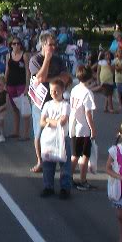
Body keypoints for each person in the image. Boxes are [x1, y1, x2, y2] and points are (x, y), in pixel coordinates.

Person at [30, 31, 72, 174]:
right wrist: (47, 59)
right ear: (43, 45)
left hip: (57, 100)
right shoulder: (35, 59)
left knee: (59, 131)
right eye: (50, 45)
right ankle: (40, 161)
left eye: (55, 45)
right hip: (40, 102)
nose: (53, 48)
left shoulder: (59, 60)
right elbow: (40, 78)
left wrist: (51, 79)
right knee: (40, 132)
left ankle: (57, 158)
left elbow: (66, 78)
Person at [39, 78, 72, 199]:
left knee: (64, 164)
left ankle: (65, 188)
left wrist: (48, 120)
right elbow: (41, 122)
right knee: (48, 163)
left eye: (56, 91)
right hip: (49, 138)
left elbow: (62, 122)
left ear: (62, 90)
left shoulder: (65, 105)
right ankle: (48, 186)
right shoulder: (47, 104)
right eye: (52, 91)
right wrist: (50, 121)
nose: (54, 93)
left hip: (62, 138)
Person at [70, 65, 97, 191]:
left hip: (74, 125)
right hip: (84, 128)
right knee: (85, 155)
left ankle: (68, 177)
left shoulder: (75, 89)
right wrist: (93, 128)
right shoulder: (88, 93)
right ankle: (82, 180)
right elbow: (88, 114)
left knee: (75, 154)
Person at [5, 37, 28, 139]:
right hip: (11, 84)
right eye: (14, 44)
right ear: (11, 45)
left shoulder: (25, 56)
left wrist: (27, 86)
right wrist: (4, 83)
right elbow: (7, 69)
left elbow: (28, 71)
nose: (16, 46)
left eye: (18, 44)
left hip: (21, 84)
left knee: (24, 109)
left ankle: (26, 134)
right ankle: (16, 131)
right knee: (15, 108)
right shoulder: (8, 56)